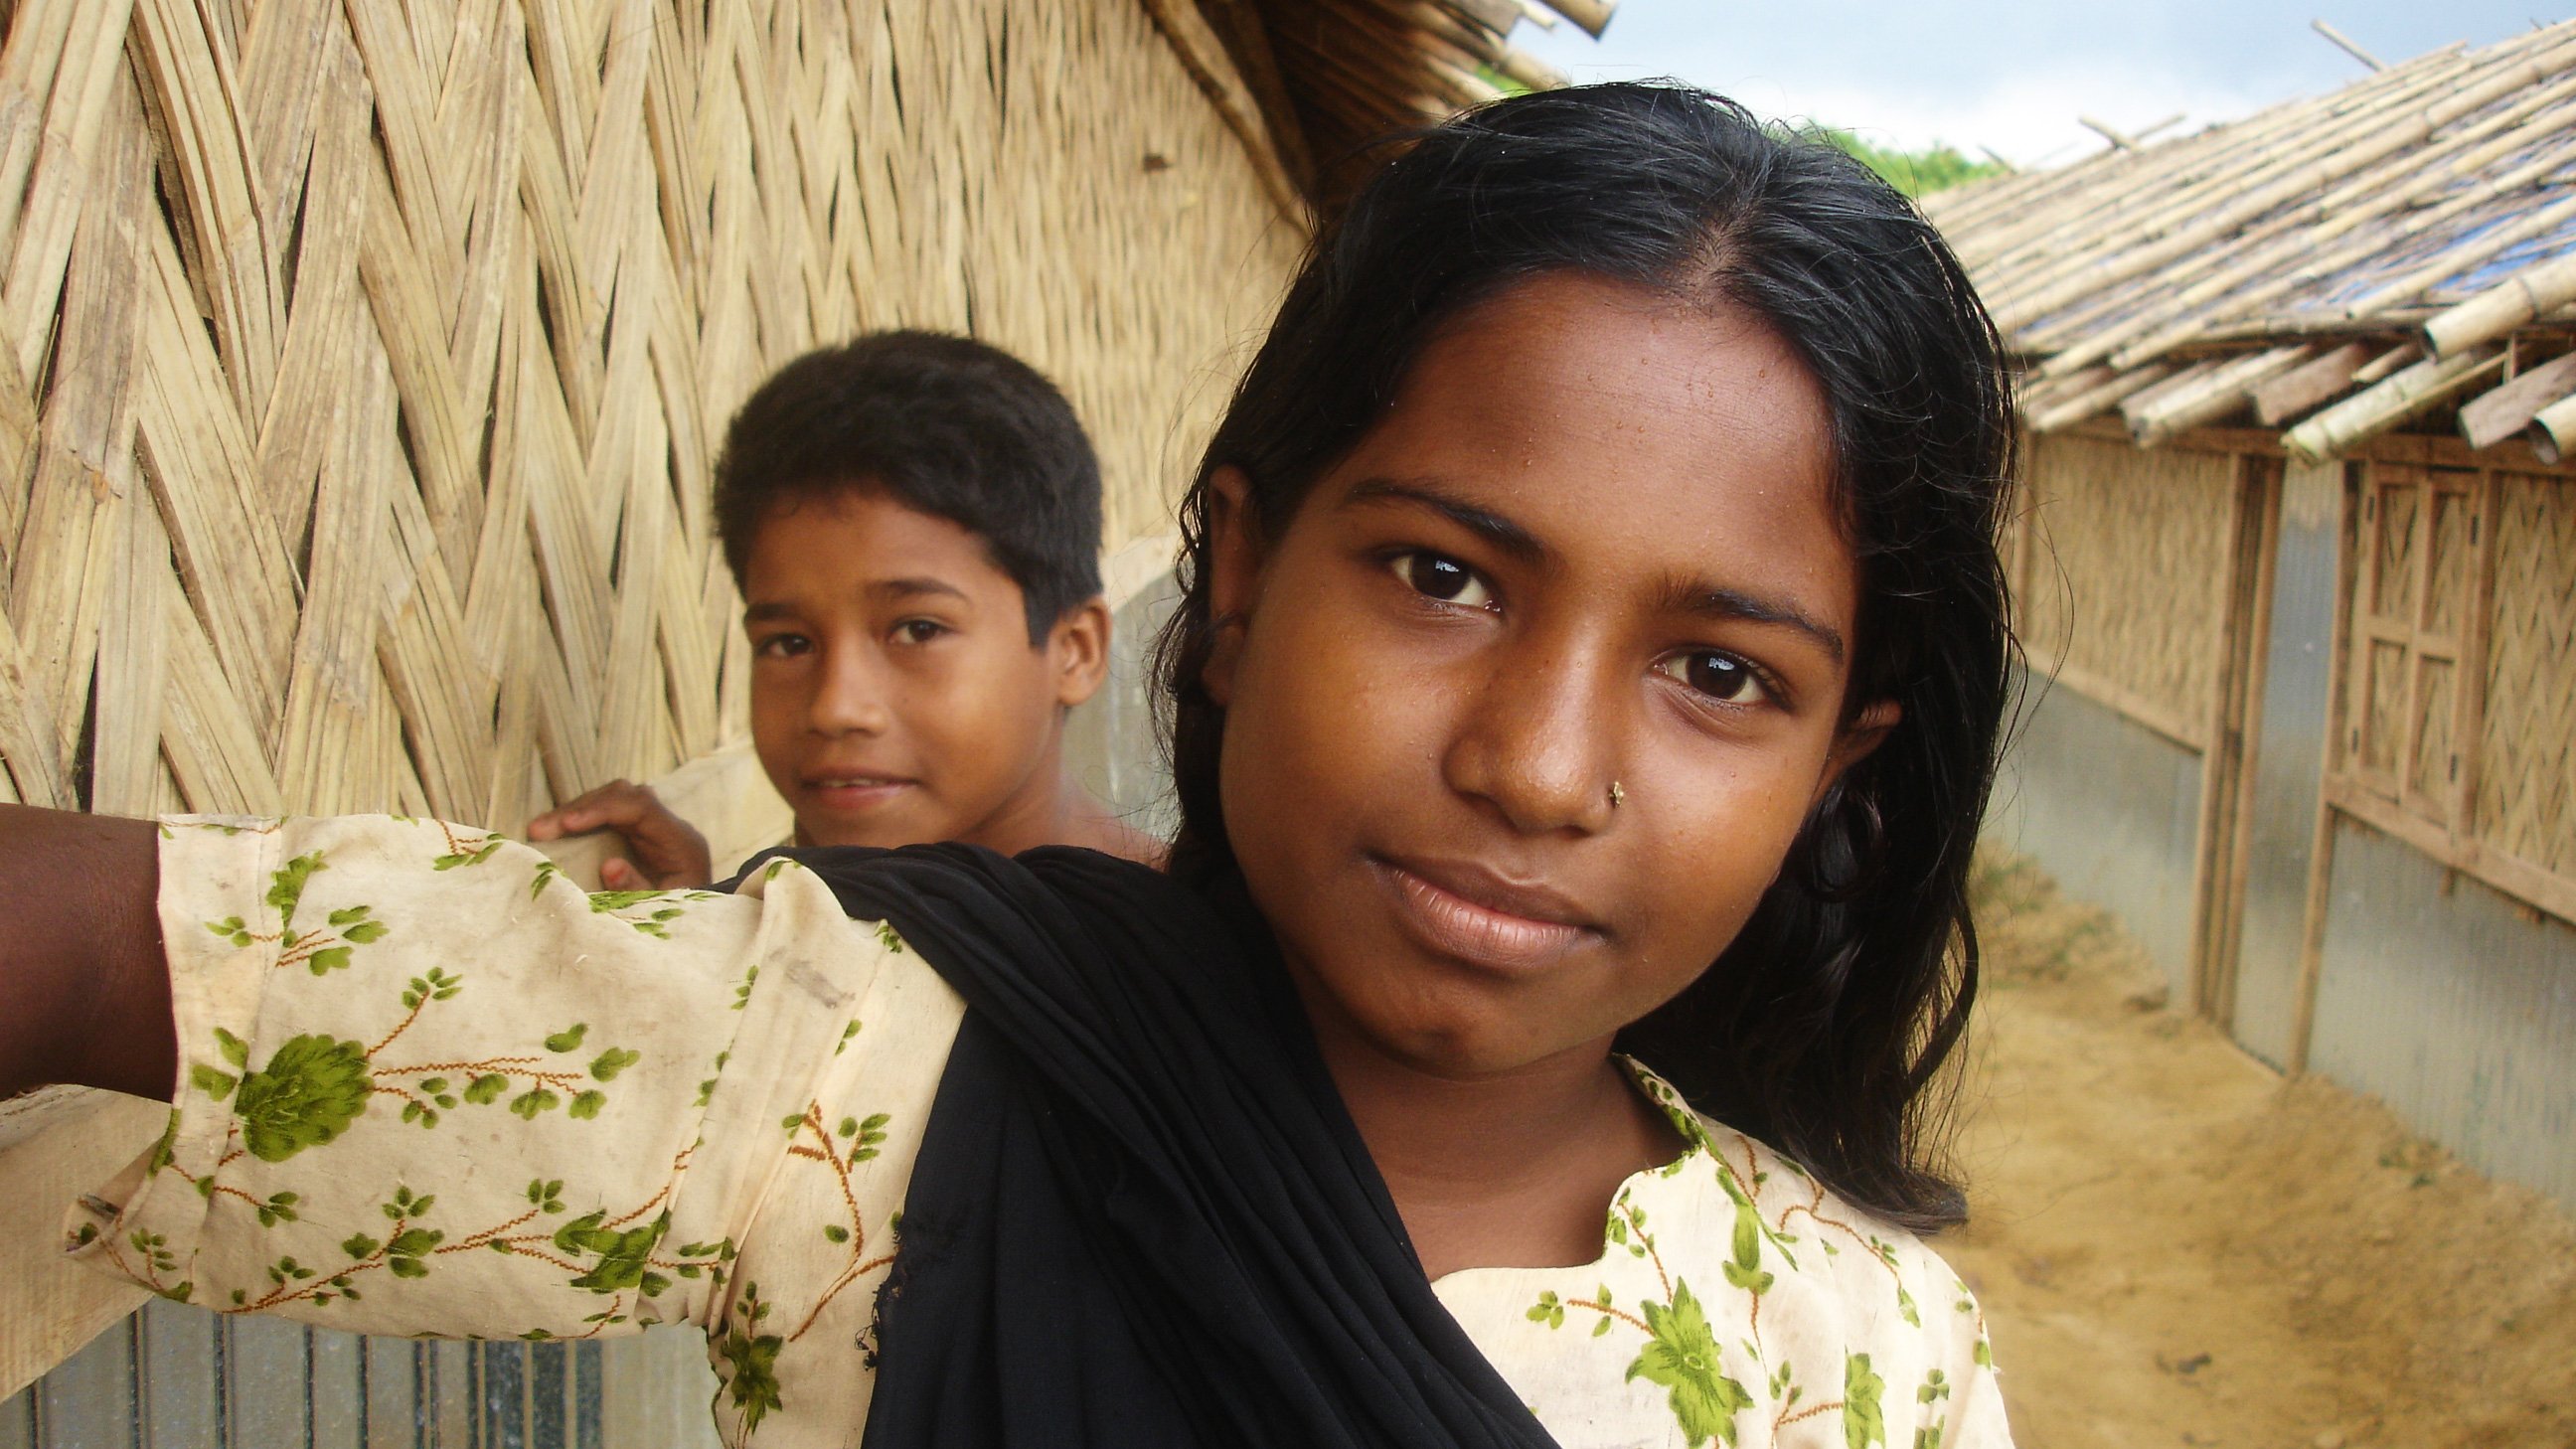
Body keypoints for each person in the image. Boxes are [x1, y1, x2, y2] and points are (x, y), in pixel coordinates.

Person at [0, 82, 2017, 1448]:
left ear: (1846, 762)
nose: (1541, 763)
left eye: (1723, 677)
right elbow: (104, 948)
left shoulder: (1859, 1364)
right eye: (1443, 575)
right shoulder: (829, 1064)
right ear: (1232, 577)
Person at [525, 331, 1160, 888]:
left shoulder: (1178, 962)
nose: (834, 707)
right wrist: (693, 927)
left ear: (1075, 649)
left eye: (917, 630)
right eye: (788, 644)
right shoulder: (774, 916)